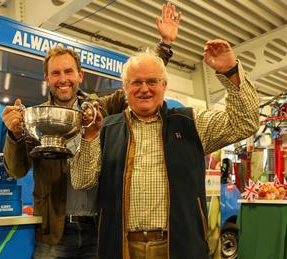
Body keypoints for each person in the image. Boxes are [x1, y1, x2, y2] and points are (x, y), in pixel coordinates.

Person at [2, 3, 182, 258]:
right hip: (54, 233)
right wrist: (14, 134)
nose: (62, 78)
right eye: (55, 73)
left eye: (68, 71)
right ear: (47, 79)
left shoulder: (101, 109)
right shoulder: (35, 119)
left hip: (100, 230)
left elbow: (139, 83)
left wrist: (164, 45)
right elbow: (16, 170)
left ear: (80, 76)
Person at [70, 39, 259, 259]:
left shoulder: (192, 123)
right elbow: (81, 181)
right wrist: (89, 136)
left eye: (152, 81)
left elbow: (245, 123)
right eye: (136, 82)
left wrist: (231, 72)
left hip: (180, 246)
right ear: (125, 88)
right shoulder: (106, 129)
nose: (144, 89)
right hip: (122, 247)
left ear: (164, 86)